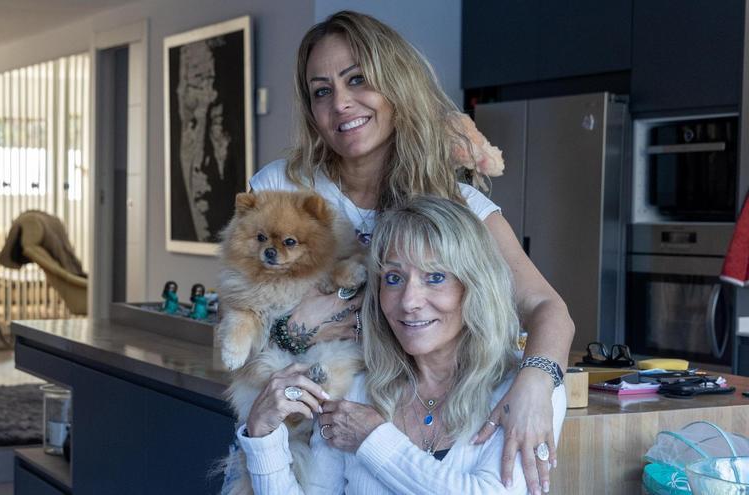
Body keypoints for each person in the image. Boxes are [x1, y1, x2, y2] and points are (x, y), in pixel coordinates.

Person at [247, 10, 574, 493]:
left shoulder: (456, 203)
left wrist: (537, 382)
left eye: (358, 79)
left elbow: (548, 307)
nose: (341, 103)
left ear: (394, 83)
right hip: (315, 410)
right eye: (322, 91)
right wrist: (296, 333)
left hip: (429, 403)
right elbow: (244, 325)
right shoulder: (280, 189)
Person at [237, 196, 567, 494]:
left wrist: (373, 438)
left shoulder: (525, 392)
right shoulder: (357, 384)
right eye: (393, 278)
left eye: (435, 277)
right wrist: (264, 437)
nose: (409, 301)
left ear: (475, 285)